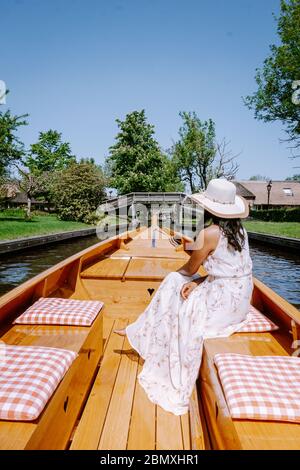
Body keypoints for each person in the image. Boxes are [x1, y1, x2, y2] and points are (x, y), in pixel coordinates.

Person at [114, 178, 253, 415]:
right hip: (239, 301)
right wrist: (199, 283)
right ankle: (139, 329)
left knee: (172, 281)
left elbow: (188, 269)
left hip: (221, 302)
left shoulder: (209, 233)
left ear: (208, 207)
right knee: (180, 286)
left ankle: (139, 331)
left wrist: (182, 281)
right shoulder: (240, 232)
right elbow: (224, 272)